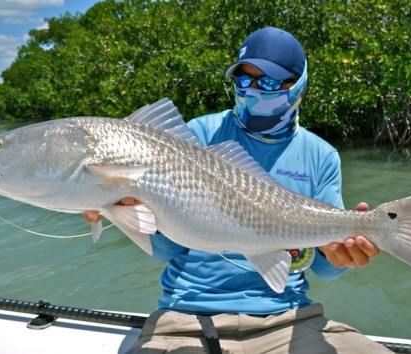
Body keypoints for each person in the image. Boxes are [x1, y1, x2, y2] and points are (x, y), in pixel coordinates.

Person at [84, 27, 392, 353]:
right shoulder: (197, 136)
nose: (254, 91)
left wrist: (342, 257)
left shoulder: (321, 155)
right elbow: (167, 251)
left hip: (289, 319)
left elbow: (324, 269)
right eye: (244, 80)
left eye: (270, 82)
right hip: (188, 319)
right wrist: (125, 210)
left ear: (299, 83)